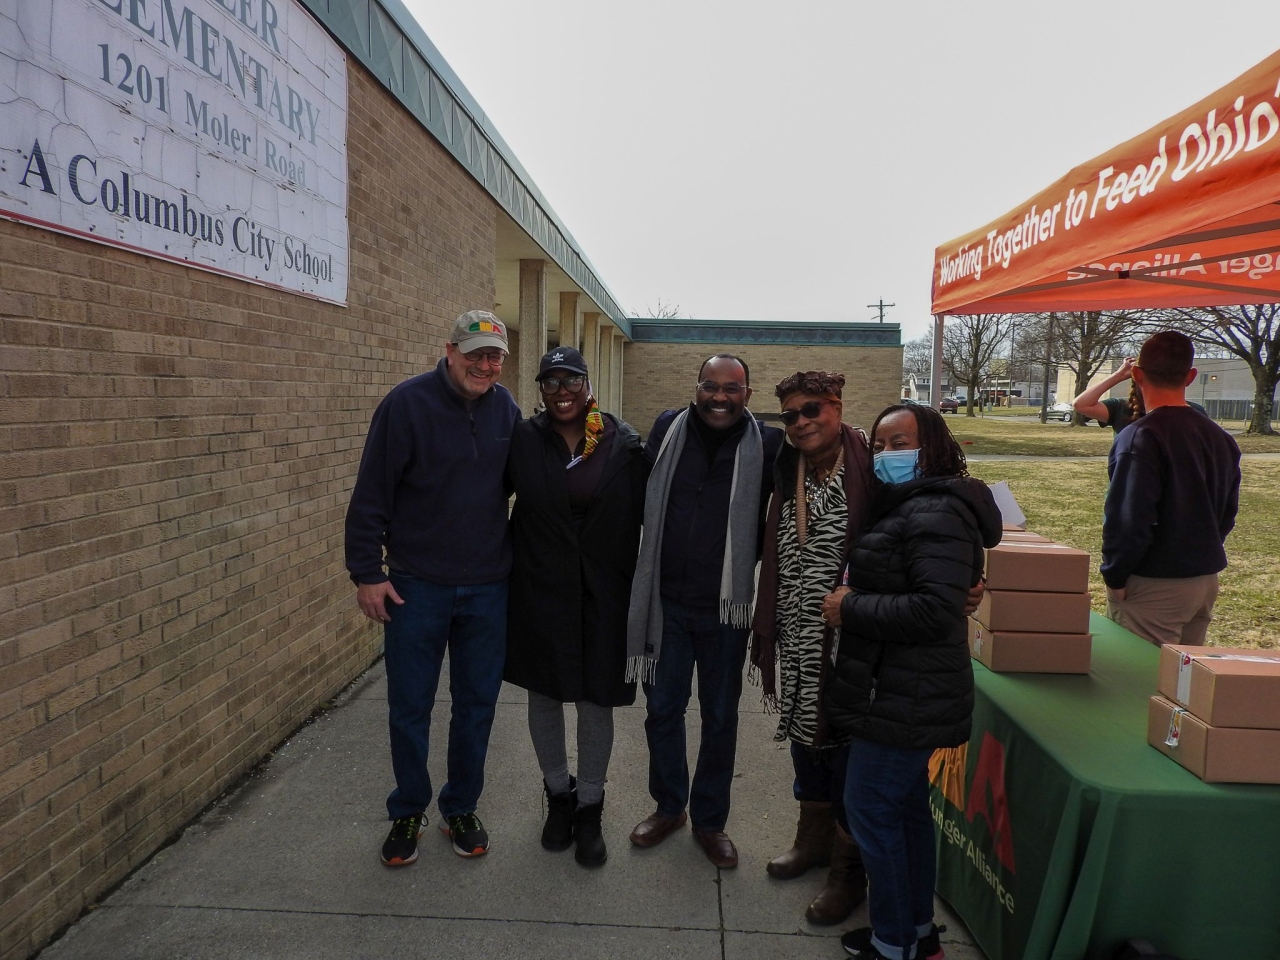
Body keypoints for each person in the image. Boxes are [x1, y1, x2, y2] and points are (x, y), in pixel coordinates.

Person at [821, 402, 1001, 960]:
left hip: (904, 695)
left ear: (935, 448)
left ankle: (893, 943)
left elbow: (932, 609)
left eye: (901, 443)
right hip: (897, 688)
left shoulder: (936, 510)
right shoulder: (913, 503)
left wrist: (851, 608)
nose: (887, 455)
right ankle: (916, 933)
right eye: (880, 445)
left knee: (871, 810)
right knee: (903, 812)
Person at [345, 310, 520, 867]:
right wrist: (367, 572)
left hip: (488, 588)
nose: (486, 365)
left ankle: (461, 807)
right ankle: (408, 811)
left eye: (495, 356)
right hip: (416, 586)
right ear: (450, 351)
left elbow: (531, 482)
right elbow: (371, 492)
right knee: (409, 706)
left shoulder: (506, 409)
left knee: (476, 706)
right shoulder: (407, 405)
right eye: (476, 354)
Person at [627, 354, 785, 868]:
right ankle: (670, 806)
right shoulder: (668, 429)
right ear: (696, 387)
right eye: (711, 386)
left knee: (720, 718)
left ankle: (711, 820)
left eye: (732, 388)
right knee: (662, 711)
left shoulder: (769, 443)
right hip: (666, 604)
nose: (720, 397)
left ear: (748, 392)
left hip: (726, 611)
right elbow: (633, 493)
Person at [504, 347, 648, 868]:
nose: (561, 390)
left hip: (605, 594)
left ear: (588, 386)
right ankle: (558, 798)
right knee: (545, 696)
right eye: (550, 382)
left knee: (594, 700)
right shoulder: (524, 438)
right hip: (540, 591)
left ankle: (590, 807)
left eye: (571, 380)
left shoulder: (622, 443)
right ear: (540, 390)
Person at [749, 371, 874, 925]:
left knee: (847, 747)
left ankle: (850, 872)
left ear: (837, 408)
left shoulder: (872, 467)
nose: (801, 422)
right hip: (798, 632)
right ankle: (813, 840)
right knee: (806, 737)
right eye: (791, 415)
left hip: (855, 637)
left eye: (812, 410)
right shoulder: (787, 467)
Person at [1102, 332, 1241, 647]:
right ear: (1191, 377)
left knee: (1138, 684)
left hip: (1154, 583)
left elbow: (1129, 518)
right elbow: (1227, 513)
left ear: (1137, 375)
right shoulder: (1220, 438)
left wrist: (1116, 574)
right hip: (1204, 580)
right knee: (1184, 688)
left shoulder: (1140, 437)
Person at [1072, 356, 1207, 433]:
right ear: (1138, 377)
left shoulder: (1194, 411)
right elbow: (1081, 404)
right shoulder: (1122, 408)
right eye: (1153, 377)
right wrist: (1118, 375)